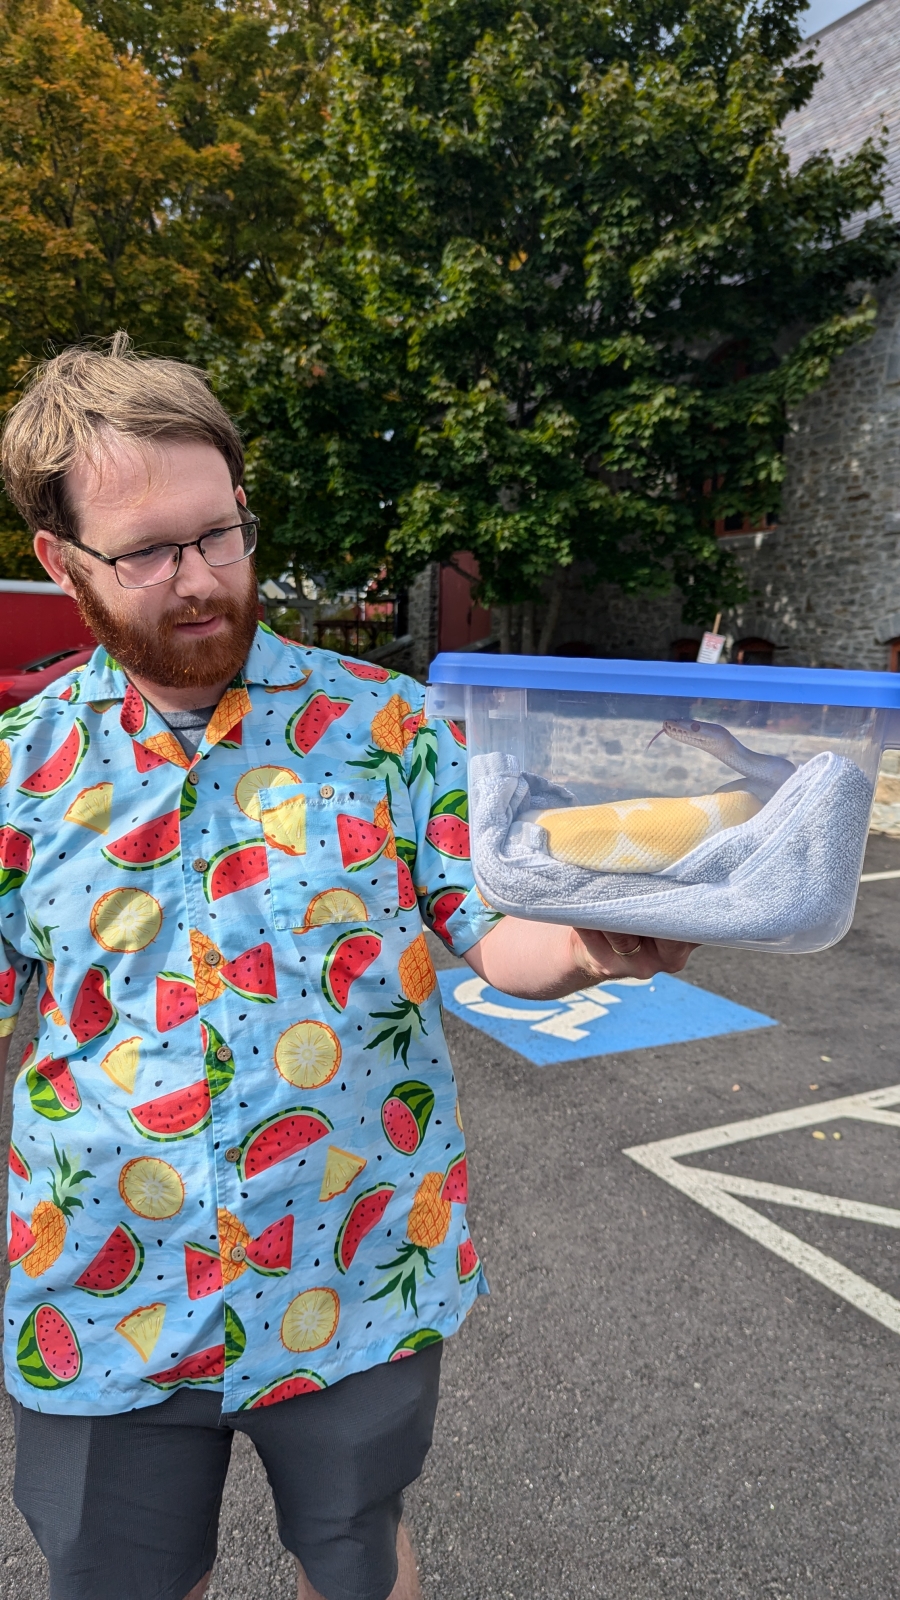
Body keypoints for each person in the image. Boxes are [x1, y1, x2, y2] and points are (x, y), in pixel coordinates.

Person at [0, 336, 692, 1600]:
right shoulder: (16, 768)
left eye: (221, 534)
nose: (202, 578)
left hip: (359, 1260)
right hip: (100, 1290)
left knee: (356, 1553)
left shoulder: (387, 725)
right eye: (149, 551)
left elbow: (495, 929)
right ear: (61, 562)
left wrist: (594, 940)